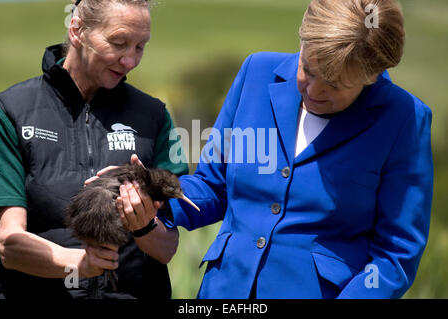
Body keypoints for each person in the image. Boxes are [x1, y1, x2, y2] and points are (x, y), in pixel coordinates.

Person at [164, 0, 433, 298]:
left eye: (334, 84)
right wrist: (155, 200)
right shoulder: (256, 71)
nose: (314, 91)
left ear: (372, 74)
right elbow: (212, 186)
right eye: (308, 69)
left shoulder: (404, 117)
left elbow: (395, 255)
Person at [0, 0, 188, 299]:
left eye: (140, 46)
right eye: (119, 43)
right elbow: (8, 244)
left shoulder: (153, 116)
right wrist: (80, 264)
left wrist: (143, 226)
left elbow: (167, 249)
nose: (130, 61)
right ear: (77, 31)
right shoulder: (12, 110)